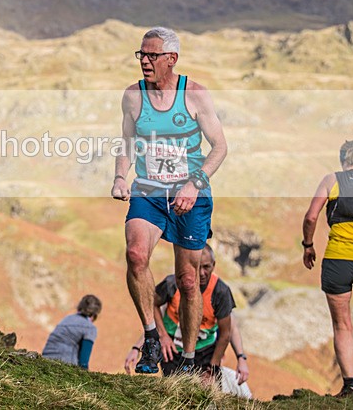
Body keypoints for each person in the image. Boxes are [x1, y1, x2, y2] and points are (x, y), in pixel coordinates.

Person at [112, 27, 227, 374]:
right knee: (135, 256)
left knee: (188, 281)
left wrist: (195, 183)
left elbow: (220, 147)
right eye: (141, 55)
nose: (145, 61)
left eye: (152, 55)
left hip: (190, 194)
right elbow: (127, 143)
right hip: (148, 189)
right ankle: (150, 336)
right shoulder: (133, 97)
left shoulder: (195, 95)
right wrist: (120, 175)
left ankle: (188, 361)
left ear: (171, 59)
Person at [123, 246, 250, 397]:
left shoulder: (221, 292)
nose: (202, 273)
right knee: (175, 391)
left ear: (214, 265)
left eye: (207, 267)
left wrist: (213, 368)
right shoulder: (173, 283)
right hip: (173, 349)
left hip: (204, 351)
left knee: (204, 393)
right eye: (198, 266)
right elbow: (152, 303)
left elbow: (226, 333)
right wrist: (162, 336)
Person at [302, 140, 353, 397]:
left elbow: (311, 216)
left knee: (343, 325)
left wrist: (308, 245)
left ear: (342, 159)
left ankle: (351, 385)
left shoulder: (331, 180)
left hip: (338, 260)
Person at [42, 295, 102, 370]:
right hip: (64, 365)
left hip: (44, 361)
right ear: (94, 314)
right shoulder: (89, 327)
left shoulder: (67, 319)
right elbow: (83, 361)